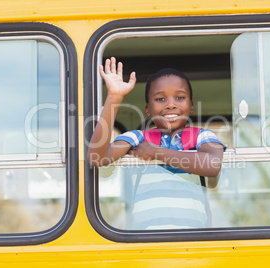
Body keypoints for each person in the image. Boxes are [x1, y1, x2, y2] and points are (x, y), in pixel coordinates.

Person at [87, 57, 225, 230]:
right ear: (148, 110)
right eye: (160, 99)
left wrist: (156, 153)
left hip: (193, 237)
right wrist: (114, 97)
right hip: (146, 238)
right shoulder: (138, 137)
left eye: (180, 97)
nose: (171, 105)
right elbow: (97, 158)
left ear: (191, 107)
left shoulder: (201, 136)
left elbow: (213, 164)